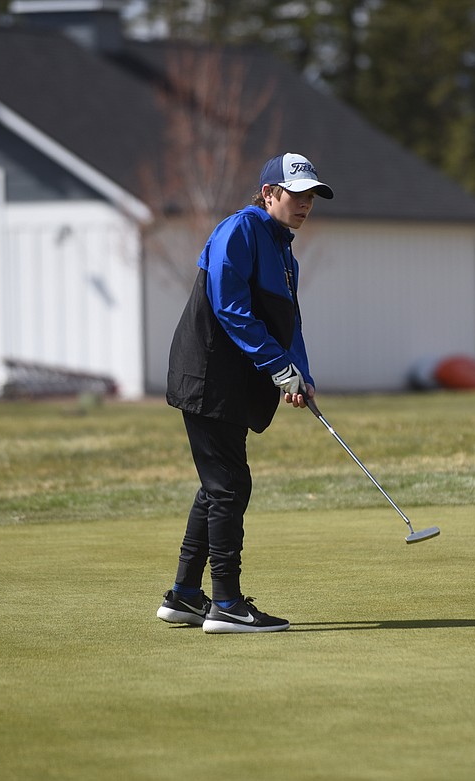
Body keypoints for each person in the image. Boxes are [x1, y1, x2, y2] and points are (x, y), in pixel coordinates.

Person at [157, 153, 334, 634]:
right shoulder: (240, 230)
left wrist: (301, 371)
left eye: (310, 197)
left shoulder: (284, 251)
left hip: (229, 382)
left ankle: (186, 597)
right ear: (269, 193)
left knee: (217, 485)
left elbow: (288, 321)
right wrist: (278, 368)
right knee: (230, 486)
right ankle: (228, 605)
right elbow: (230, 307)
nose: (304, 204)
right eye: (296, 195)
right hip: (207, 376)